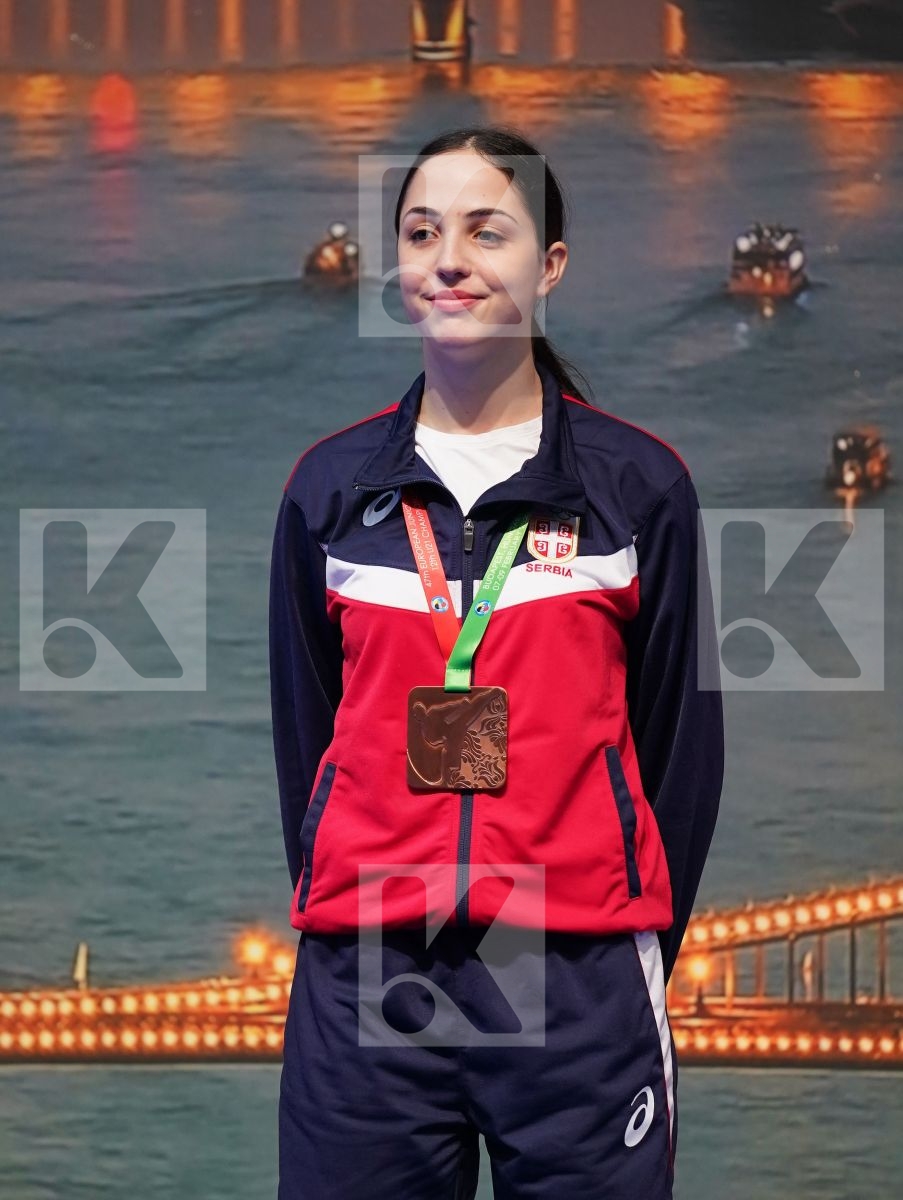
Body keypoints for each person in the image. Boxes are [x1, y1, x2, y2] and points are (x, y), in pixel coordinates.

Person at [269, 124, 724, 1200]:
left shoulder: (637, 490)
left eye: (489, 231)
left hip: (579, 969)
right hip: (375, 964)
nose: (450, 258)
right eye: (423, 231)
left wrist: (617, 928)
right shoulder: (331, 492)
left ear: (549, 265)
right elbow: (308, 736)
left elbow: (680, 755)